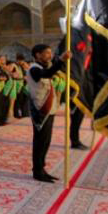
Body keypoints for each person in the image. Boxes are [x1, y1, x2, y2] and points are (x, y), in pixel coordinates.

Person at [26, 44, 71, 183]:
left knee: (46, 141)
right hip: (40, 110)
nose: (50, 56)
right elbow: (47, 74)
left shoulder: (46, 66)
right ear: (38, 55)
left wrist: (63, 61)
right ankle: (37, 171)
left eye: (50, 53)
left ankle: (42, 168)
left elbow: (53, 70)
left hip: (49, 108)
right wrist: (61, 60)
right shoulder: (34, 69)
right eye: (46, 53)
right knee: (40, 141)